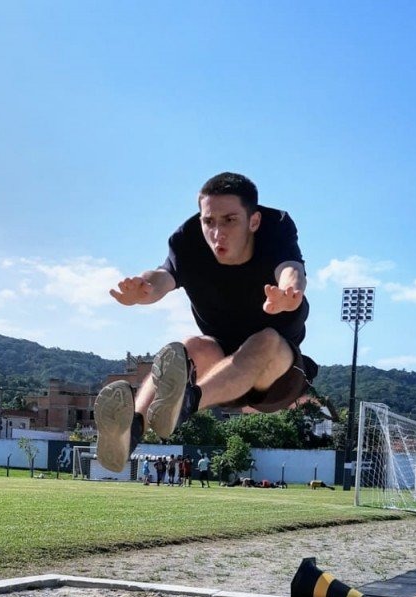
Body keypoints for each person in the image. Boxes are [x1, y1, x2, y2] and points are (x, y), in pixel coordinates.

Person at [94, 172, 313, 472]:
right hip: (221, 368)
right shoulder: (188, 241)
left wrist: (290, 292)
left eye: (230, 220)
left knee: (266, 340)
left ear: (254, 222)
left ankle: (186, 403)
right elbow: (163, 276)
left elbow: (291, 267)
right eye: (209, 221)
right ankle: (132, 428)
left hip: (275, 376)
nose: (217, 233)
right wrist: (143, 289)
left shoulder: (276, 228)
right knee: (191, 346)